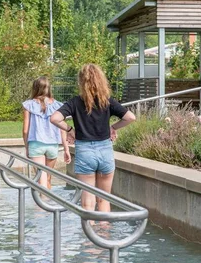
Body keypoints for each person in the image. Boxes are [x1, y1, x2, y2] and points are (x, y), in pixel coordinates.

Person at [50, 64, 136, 213]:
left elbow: (55, 118)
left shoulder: (75, 102)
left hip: (85, 152)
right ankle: (104, 234)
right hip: (105, 151)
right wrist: (113, 127)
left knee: (87, 203)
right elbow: (130, 117)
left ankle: (88, 236)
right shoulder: (107, 101)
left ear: (81, 82)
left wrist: (70, 130)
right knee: (104, 200)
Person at [22, 76, 71, 190]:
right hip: (53, 145)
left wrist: (27, 147)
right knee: (48, 179)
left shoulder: (28, 105)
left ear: (35, 88)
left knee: (41, 180)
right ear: (49, 88)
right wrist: (66, 149)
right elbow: (62, 129)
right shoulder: (58, 105)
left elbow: (25, 130)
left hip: (36, 144)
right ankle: (49, 205)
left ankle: (41, 206)